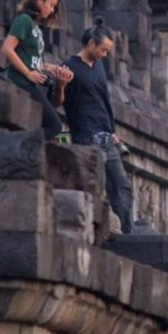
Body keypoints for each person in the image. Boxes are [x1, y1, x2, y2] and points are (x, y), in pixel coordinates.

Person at [56, 17, 134, 234]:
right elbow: (57, 102)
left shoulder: (99, 67)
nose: (105, 55)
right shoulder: (69, 66)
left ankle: (128, 231)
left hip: (106, 136)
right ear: (91, 43)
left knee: (121, 185)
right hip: (86, 137)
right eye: (103, 50)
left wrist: (113, 131)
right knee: (94, 185)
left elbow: (104, 101)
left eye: (108, 51)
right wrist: (61, 85)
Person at [0, 0, 73, 141]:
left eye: (55, 7)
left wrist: (52, 69)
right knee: (54, 126)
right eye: (51, 5)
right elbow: (7, 48)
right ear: (40, 0)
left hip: (31, 83)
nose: (52, 10)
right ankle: (18, 144)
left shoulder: (35, 26)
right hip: (19, 80)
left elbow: (33, 61)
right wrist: (27, 73)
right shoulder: (24, 20)